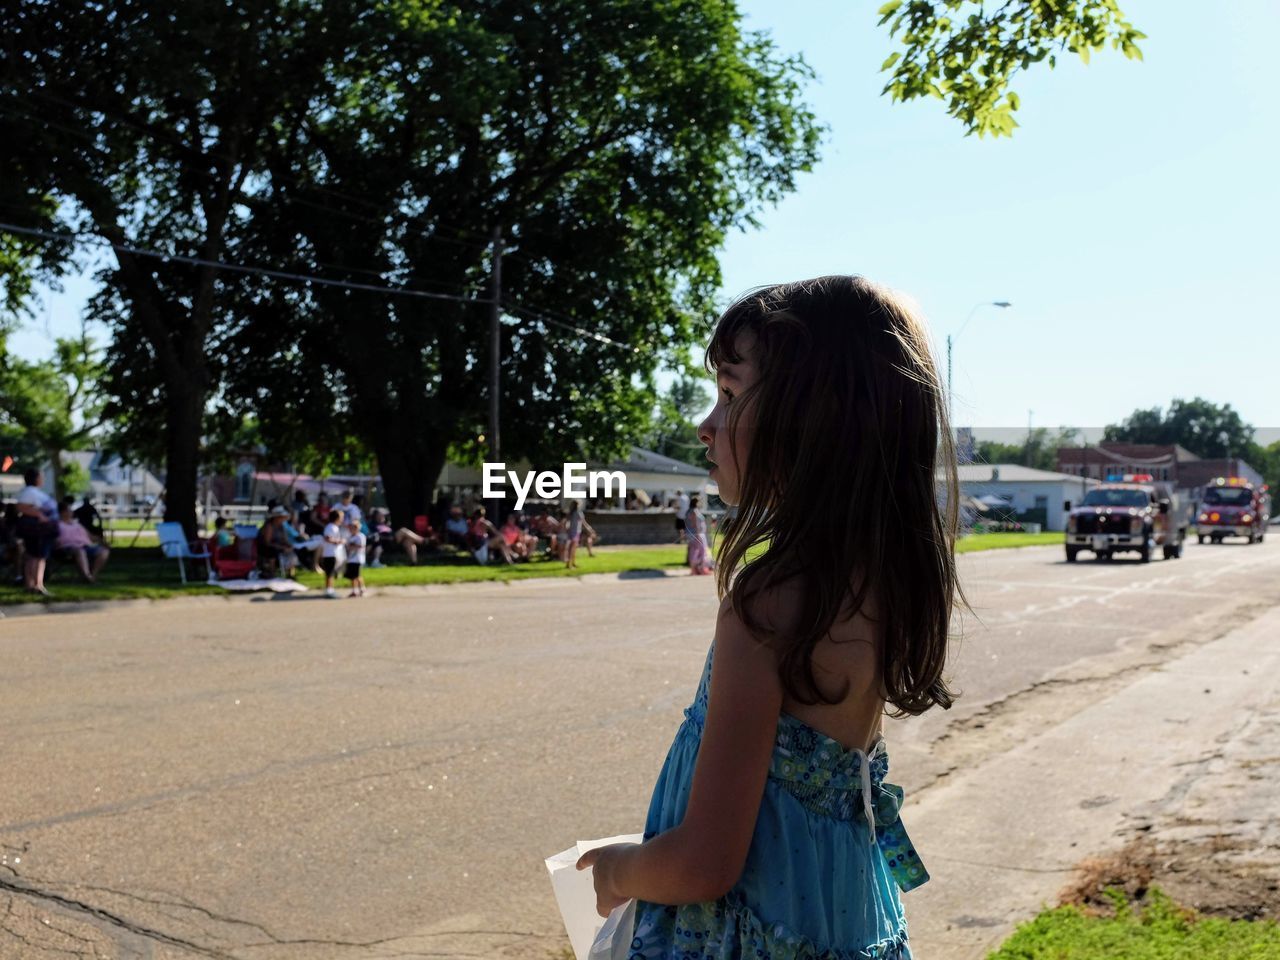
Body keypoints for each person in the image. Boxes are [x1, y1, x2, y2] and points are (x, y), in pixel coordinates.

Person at [575, 276, 963, 959]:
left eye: (728, 394)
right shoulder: (876, 581)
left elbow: (705, 863)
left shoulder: (769, 606)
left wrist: (620, 870)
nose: (705, 425)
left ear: (811, 418)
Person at [15, 467, 59, 596]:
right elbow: (21, 507)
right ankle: (36, 585)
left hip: (39, 529)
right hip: (37, 529)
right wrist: (40, 516)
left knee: (34, 556)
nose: (43, 479)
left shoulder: (33, 492)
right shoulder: (30, 492)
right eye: (41, 476)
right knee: (38, 557)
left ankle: (31, 584)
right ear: (36, 478)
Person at [57, 503, 110, 582]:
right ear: (63, 512)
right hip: (67, 547)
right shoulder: (57, 524)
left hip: (85, 546)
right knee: (79, 551)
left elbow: (89, 536)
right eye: (69, 510)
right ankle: (86, 576)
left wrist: (101, 541)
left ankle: (93, 575)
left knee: (103, 551)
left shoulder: (76, 524)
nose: (71, 512)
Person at [684, 495, 714, 576]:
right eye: (699, 501)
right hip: (697, 534)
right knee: (699, 552)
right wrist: (697, 535)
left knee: (695, 551)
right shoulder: (694, 511)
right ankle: (697, 569)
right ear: (696, 502)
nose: (700, 503)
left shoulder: (689, 511)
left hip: (694, 534)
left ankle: (697, 569)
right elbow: (696, 524)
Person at [319, 509, 344, 598]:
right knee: (330, 573)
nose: (342, 519)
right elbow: (327, 538)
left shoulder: (334, 527)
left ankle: (329, 589)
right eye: (341, 517)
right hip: (329, 553)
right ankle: (329, 590)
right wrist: (339, 541)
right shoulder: (330, 527)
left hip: (332, 553)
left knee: (331, 572)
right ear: (337, 518)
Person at [344, 519, 367, 597]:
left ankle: (362, 589)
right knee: (352, 576)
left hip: (357, 559)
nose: (351, 530)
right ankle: (354, 590)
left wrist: (350, 546)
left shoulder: (360, 536)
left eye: (353, 528)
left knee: (357, 575)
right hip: (350, 559)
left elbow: (360, 546)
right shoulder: (350, 537)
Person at [563, 500, 586, 569]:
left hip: (571, 532)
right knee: (572, 549)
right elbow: (583, 523)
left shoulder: (570, 513)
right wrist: (589, 529)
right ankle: (569, 565)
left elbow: (566, 523)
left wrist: (567, 529)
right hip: (576, 533)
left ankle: (572, 563)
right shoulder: (579, 513)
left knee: (572, 548)